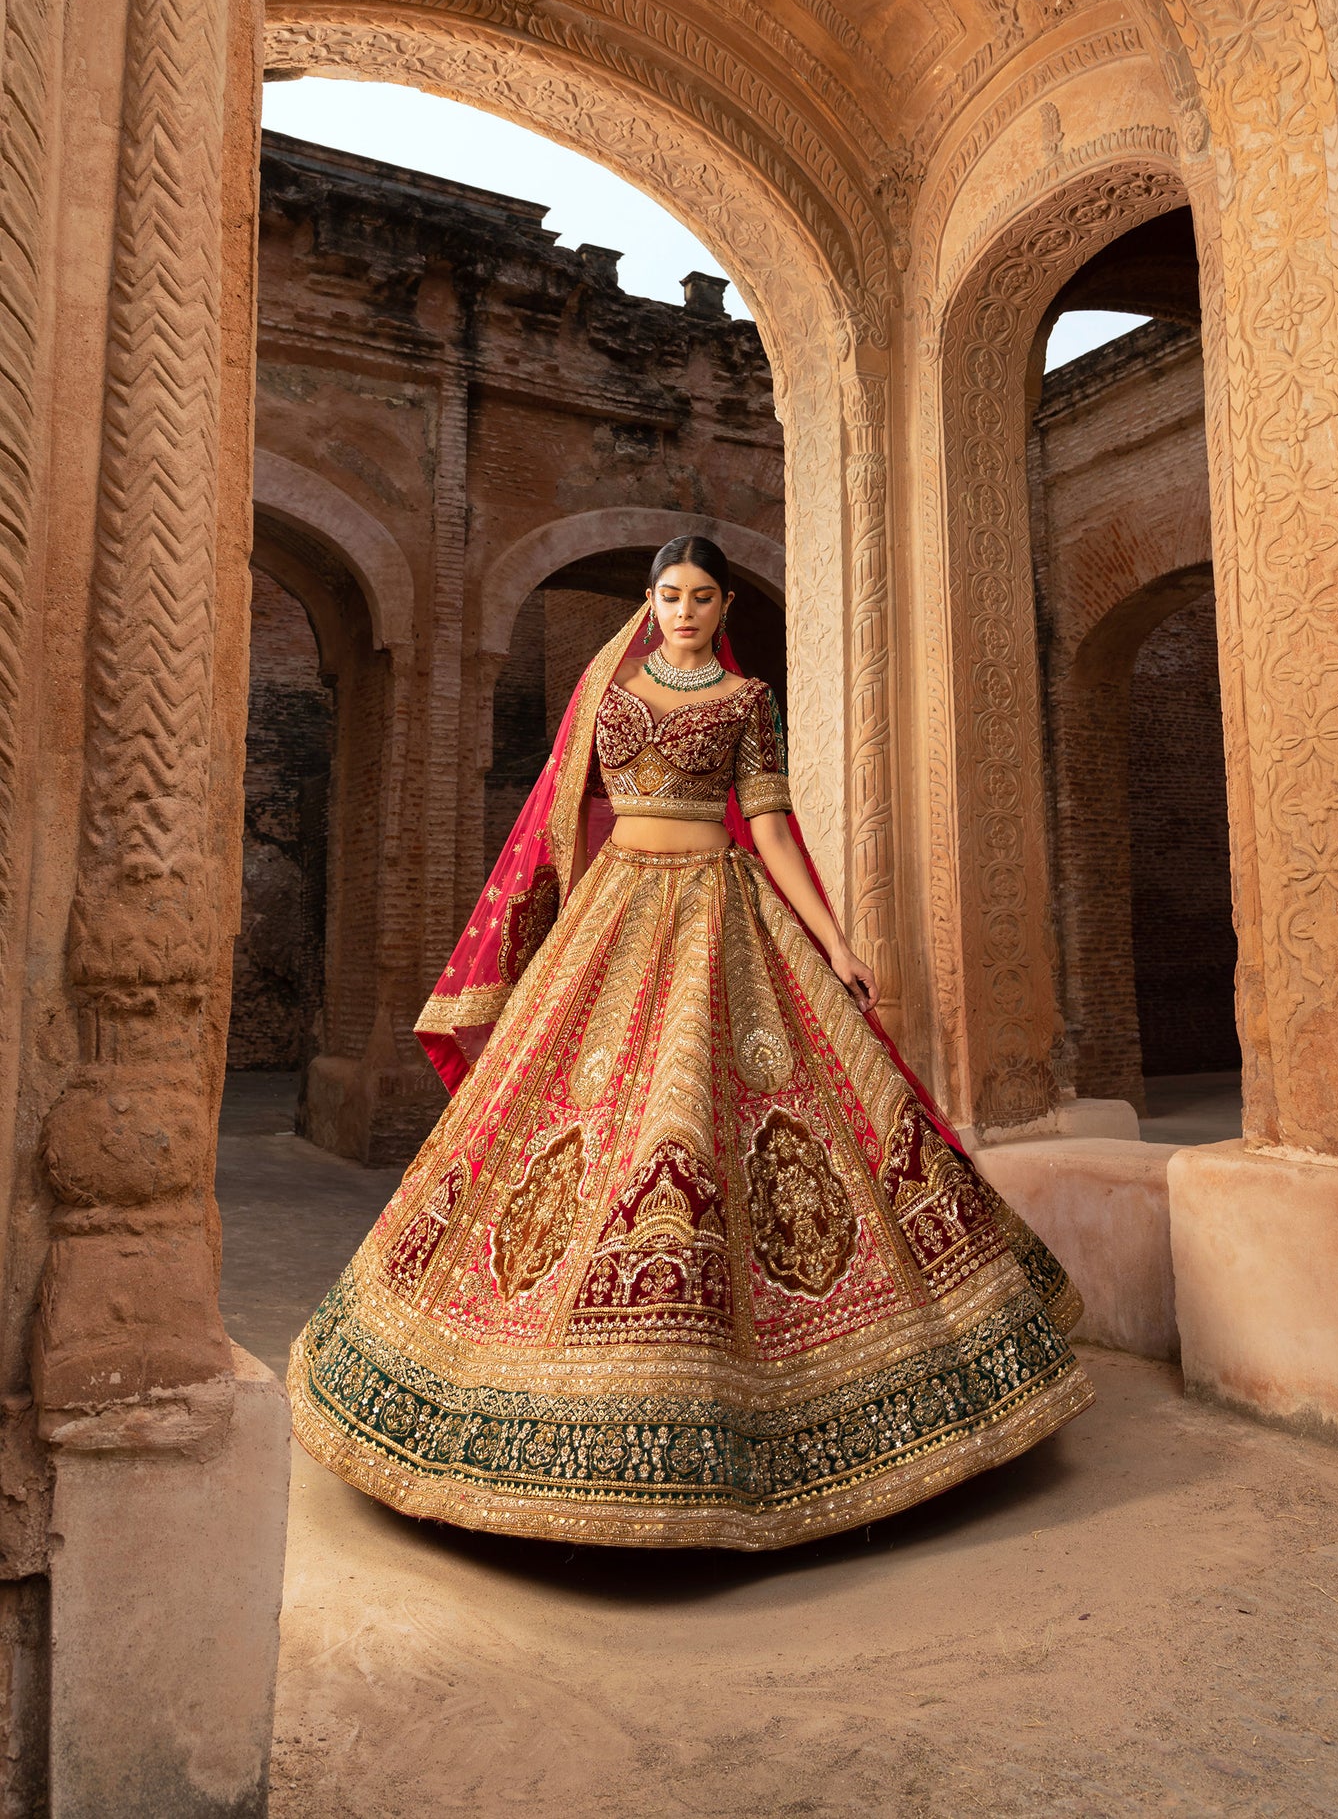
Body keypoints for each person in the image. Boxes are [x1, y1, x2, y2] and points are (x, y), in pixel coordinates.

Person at [288, 536, 1092, 1549]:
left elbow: (771, 827)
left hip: (723, 913)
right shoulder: (606, 697)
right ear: (649, 600)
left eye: (702, 596)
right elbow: (557, 820)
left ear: (721, 608)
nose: (684, 610)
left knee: (742, 1116)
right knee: (577, 1125)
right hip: (615, 915)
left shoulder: (747, 701)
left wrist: (835, 942)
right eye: (669, 594)